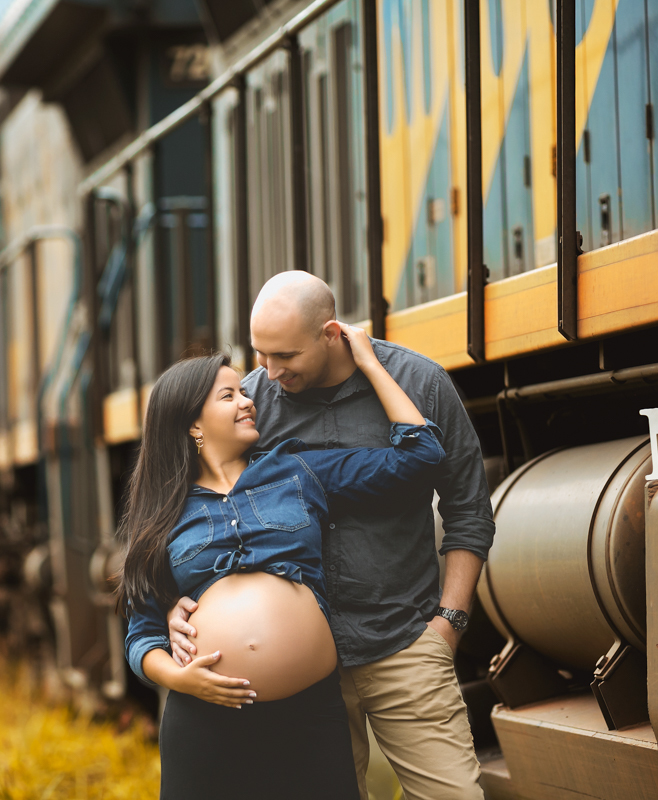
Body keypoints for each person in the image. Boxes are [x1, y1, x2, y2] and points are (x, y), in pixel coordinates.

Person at [167, 272, 495, 800]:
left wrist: (448, 625)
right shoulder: (249, 403)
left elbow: (469, 512)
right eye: (260, 354)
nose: (268, 374)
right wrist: (178, 603)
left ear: (329, 333)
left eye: (286, 356)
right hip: (304, 677)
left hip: (403, 641)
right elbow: (195, 511)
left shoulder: (420, 383)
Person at [119, 326, 444, 800]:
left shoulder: (297, 468)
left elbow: (420, 456)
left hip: (308, 717)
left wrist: (372, 364)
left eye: (244, 393)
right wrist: (181, 679)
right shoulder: (162, 512)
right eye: (229, 395)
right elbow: (141, 632)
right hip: (206, 721)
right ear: (192, 424)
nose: (249, 401)